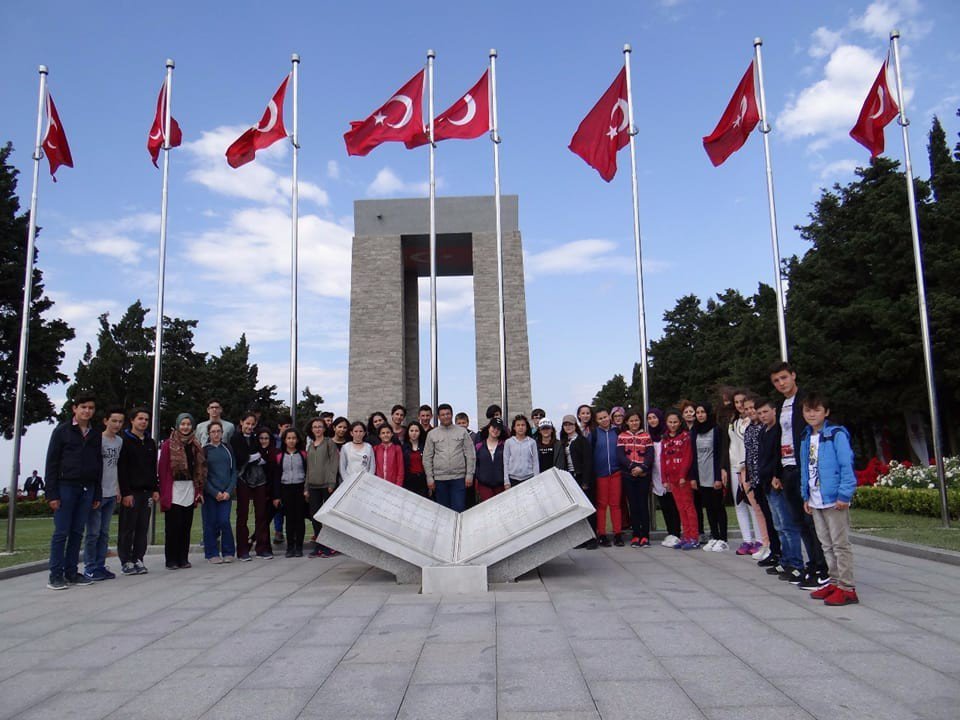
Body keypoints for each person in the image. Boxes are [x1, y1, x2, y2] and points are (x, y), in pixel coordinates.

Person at [771, 361, 829, 588]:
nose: (781, 383)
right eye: (776, 381)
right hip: (787, 468)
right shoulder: (781, 404)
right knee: (798, 521)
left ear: (793, 376)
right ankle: (812, 563)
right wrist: (777, 471)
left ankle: (822, 567)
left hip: (804, 467)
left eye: (784, 378)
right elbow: (779, 438)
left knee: (811, 520)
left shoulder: (806, 401)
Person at [800, 393, 859, 605]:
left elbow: (846, 465)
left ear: (826, 412)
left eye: (816, 410)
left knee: (840, 544)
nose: (812, 414)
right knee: (826, 544)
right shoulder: (806, 437)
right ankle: (834, 582)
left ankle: (847, 587)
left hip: (834, 499)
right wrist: (805, 495)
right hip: (815, 498)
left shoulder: (836, 435)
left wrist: (844, 494)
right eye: (808, 410)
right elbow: (806, 469)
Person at [44, 393, 102, 590]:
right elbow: (51, 462)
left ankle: (71, 572)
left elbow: (98, 464)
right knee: (61, 532)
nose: (87, 411)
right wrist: (51, 493)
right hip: (65, 486)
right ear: (74, 409)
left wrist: (97, 493)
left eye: (91, 408)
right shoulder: (62, 431)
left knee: (78, 531)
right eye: (83, 407)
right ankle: (55, 574)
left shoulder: (95, 434)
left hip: (87, 487)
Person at [758, 398, 803, 583]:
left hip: (777, 480)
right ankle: (785, 560)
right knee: (778, 525)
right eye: (760, 413)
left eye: (765, 412)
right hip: (766, 481)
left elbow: (778, 456)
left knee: (787, 524)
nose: (762, 416)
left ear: (774, 411)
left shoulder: (778, 431)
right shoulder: (763, 431)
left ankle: (796, 563)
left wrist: (776, 475)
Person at [158, 413, 206, 570]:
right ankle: (171, 559)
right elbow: (163, 469)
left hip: (189, 489)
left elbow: (199, 469)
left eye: (188, 424)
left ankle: (183, 558)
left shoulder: (195, 445)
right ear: (178, 425)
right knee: (172, 527)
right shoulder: (168, 445)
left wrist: (198, 490)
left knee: (186, 526)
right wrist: (163, 492)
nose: (185, 427)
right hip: (173, 489)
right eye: (183, 424)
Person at [83, 406, 125, 580]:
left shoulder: (119, 442)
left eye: (120, 421)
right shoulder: (97, 440)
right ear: (105, 421)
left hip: (111, 491)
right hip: (97, 493)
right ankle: (89, 566)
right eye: (113, 421)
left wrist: (118, 488)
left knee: (104, 532)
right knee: (93, 532)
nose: (117, 424)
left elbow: (116, 467)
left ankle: (100, 565)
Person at [117, 407, 160, 575]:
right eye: (140, 418)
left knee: (143, 527)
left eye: (146, 419)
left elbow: (152, 468)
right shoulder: (124, 441)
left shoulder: (150, 442)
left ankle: (138, 558)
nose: (143, 422)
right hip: (131, 491)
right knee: (128, 527)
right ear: (132, 421)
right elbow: (122, 469)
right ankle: (126, 560)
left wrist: (155, 488)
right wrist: (125, 492)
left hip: (146, 491)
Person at [231, 414, 274, 561]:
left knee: (261, 513)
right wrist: (252, 457)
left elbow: (262, 454)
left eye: (252, 424)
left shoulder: (256, 437)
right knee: (242, 514)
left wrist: (255, 457)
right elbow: (240, 457)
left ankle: (263, 548)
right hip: (243, 478)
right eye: (247, 423)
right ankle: (242, 550)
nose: (249, 427)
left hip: (259, 479)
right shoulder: (236, 438)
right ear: (241, 422)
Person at [729, 391, 765, 556]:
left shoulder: (753, 422)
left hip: (749, 467)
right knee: (740, 504)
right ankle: (747, 539)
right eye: (736, 402)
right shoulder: (733, 422)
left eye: (743, 401)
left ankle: (760, 539)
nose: (740, 405)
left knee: (754, 505)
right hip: (736, 466)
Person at [741, 395, 776, 563]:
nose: (750, 412)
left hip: (766, 476)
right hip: (753, 476)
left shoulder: (766, 428)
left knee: (771, 514)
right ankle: (766, 543)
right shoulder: (749, 428)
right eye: (746, 409)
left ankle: (773, 546)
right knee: (760, 511)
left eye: (752, 408)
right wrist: (748, 476)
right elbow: (748, 453)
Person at [422, 403, 476, 511]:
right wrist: (429, 477)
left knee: (459, 509)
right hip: (439, 480)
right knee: (443, 511)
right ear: (438, 417)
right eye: (442, 414)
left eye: (448, 414)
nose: (445, 416)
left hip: (459, 479)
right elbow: (427, 457)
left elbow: (470, 454)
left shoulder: (462, 432)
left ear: (452, 415)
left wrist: (469, 475)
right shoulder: (432, 434)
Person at [691, 402, 728, 552]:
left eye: (702, 412)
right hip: (701, 475)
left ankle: (723, 538)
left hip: (714, 475)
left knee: (718, 506)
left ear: (708, 413)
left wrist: (718, 477)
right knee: (709, 508)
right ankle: (714, 536)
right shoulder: (694, 430)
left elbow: (720, 453)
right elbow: (693, 455)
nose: (700, 415)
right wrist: (694, 477)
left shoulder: (716, 429)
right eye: (697, 412)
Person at [661, 410, 699, 550]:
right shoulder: (665, 439)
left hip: (683, 479)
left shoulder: (685, 437)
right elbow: (663, 459)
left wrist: (683, 476)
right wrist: (664, 479)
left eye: (675, 422)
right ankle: (686, 535)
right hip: (672, 479)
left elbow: (687, 457)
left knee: (689, 507)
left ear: (680, 422)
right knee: (680, 508)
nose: (672, 425)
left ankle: (694, 537)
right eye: (670, 422)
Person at [616, 410, 654, 548]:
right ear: (627, 422)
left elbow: (650, 455)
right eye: (631, 421)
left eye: (636, 420)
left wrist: (642, 468)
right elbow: (620, 456)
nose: (634, 423)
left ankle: (645, 536)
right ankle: (636, 535)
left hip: (643, 475)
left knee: (643, 505)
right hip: (628, 475)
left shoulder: (646, 436)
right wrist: (632, 466)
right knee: (633, 505)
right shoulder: (622, 436)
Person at [201, 420, 237, 564]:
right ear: (209, 434)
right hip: (211, 494)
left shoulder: (227, 449)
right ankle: (211, 553)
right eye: (213, 432)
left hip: (226, 494)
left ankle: (228, 551)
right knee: (210, 523)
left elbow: (233, 471)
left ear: (222, 433)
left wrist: (228, 491)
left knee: (224, 521)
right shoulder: (204, 451)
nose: (216, 434)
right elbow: (202, 475)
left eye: (218, 431)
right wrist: (213, 492)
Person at [560, 414, 596, 549]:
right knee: (577, 510)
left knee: (588, 509)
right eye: (565, 425)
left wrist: (586, 482)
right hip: (570, 477)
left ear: (575, 425)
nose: (568, 427)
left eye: (570, 424)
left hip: (582, 477)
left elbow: (588, 462)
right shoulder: (564, 441)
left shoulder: (582, 441)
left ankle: (592, 538)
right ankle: (581, 539)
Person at [305, 417, 338, 557]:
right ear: (312, 430)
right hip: (313, 485)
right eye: (315, 427)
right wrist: (306, 487)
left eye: (320, 426)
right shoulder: (310, 445)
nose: (317, 429)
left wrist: (331, 482)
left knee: (327, 517)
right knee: (315, 516)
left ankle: (329, 546)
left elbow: (334, 463)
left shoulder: (329, 443)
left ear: (324, 428)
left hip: (326, 485)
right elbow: (308, 468)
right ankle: (319, 545)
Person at [648, 408, 680, 548]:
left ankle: (677, 533)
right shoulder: (648, 435)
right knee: (665, 505)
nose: (652, 420)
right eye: (649, 418)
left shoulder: (667, 435)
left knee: (674, 505)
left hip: (669, 473)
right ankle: (670, 532)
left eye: (654, 417)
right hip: (656, 475)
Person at [591, 408, 623, 547]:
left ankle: (618, 534)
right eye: (600, 418)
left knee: (616, 505)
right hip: (600, 474)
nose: (604, 420)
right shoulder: (593, 434)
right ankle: (602, 534)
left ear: (609, 417)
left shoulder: (617, 432)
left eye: (605, 417)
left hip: (616, 473)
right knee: (602, 505)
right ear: (596, 421)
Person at [273, 428, 307, 558]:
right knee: (289, 519)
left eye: (293, 438)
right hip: (285, 488)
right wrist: (276, 495)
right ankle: (290, 547)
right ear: (284, 440)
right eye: (289, 438)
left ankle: (299, 547)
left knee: (299, 519)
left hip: (300, 488)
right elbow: (276, 477)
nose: (291, 441)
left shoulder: (303, 455)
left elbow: (307, 472)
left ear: (297, 439)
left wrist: (306, 489)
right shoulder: (280, 456)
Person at [475, 418, 507, 502]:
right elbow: (475, 464)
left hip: (501, 485)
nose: (495, 430)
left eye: (498, 429)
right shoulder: (479, 446)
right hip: (484, 485)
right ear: (489, 427)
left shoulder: (505, 445)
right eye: (494, 427)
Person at [503, 414, 537, 487]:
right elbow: (505, 462)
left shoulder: (532, 442)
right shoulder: (509, 442)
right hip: (513, 479)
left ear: (527, 427)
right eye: (518, 425)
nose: (520, 427)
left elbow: (535, 462)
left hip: (528, 478)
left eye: (523, 425)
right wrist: (506, 481)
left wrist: (536, 479)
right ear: (514, 428)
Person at [403, 421, 429, 497]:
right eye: (411, 431)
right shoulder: (403, 447)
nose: (414, 433)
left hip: (423, 481)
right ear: (408, 432)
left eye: (416, 431)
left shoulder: (425, 447)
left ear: (420, 432)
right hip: (409, 481)